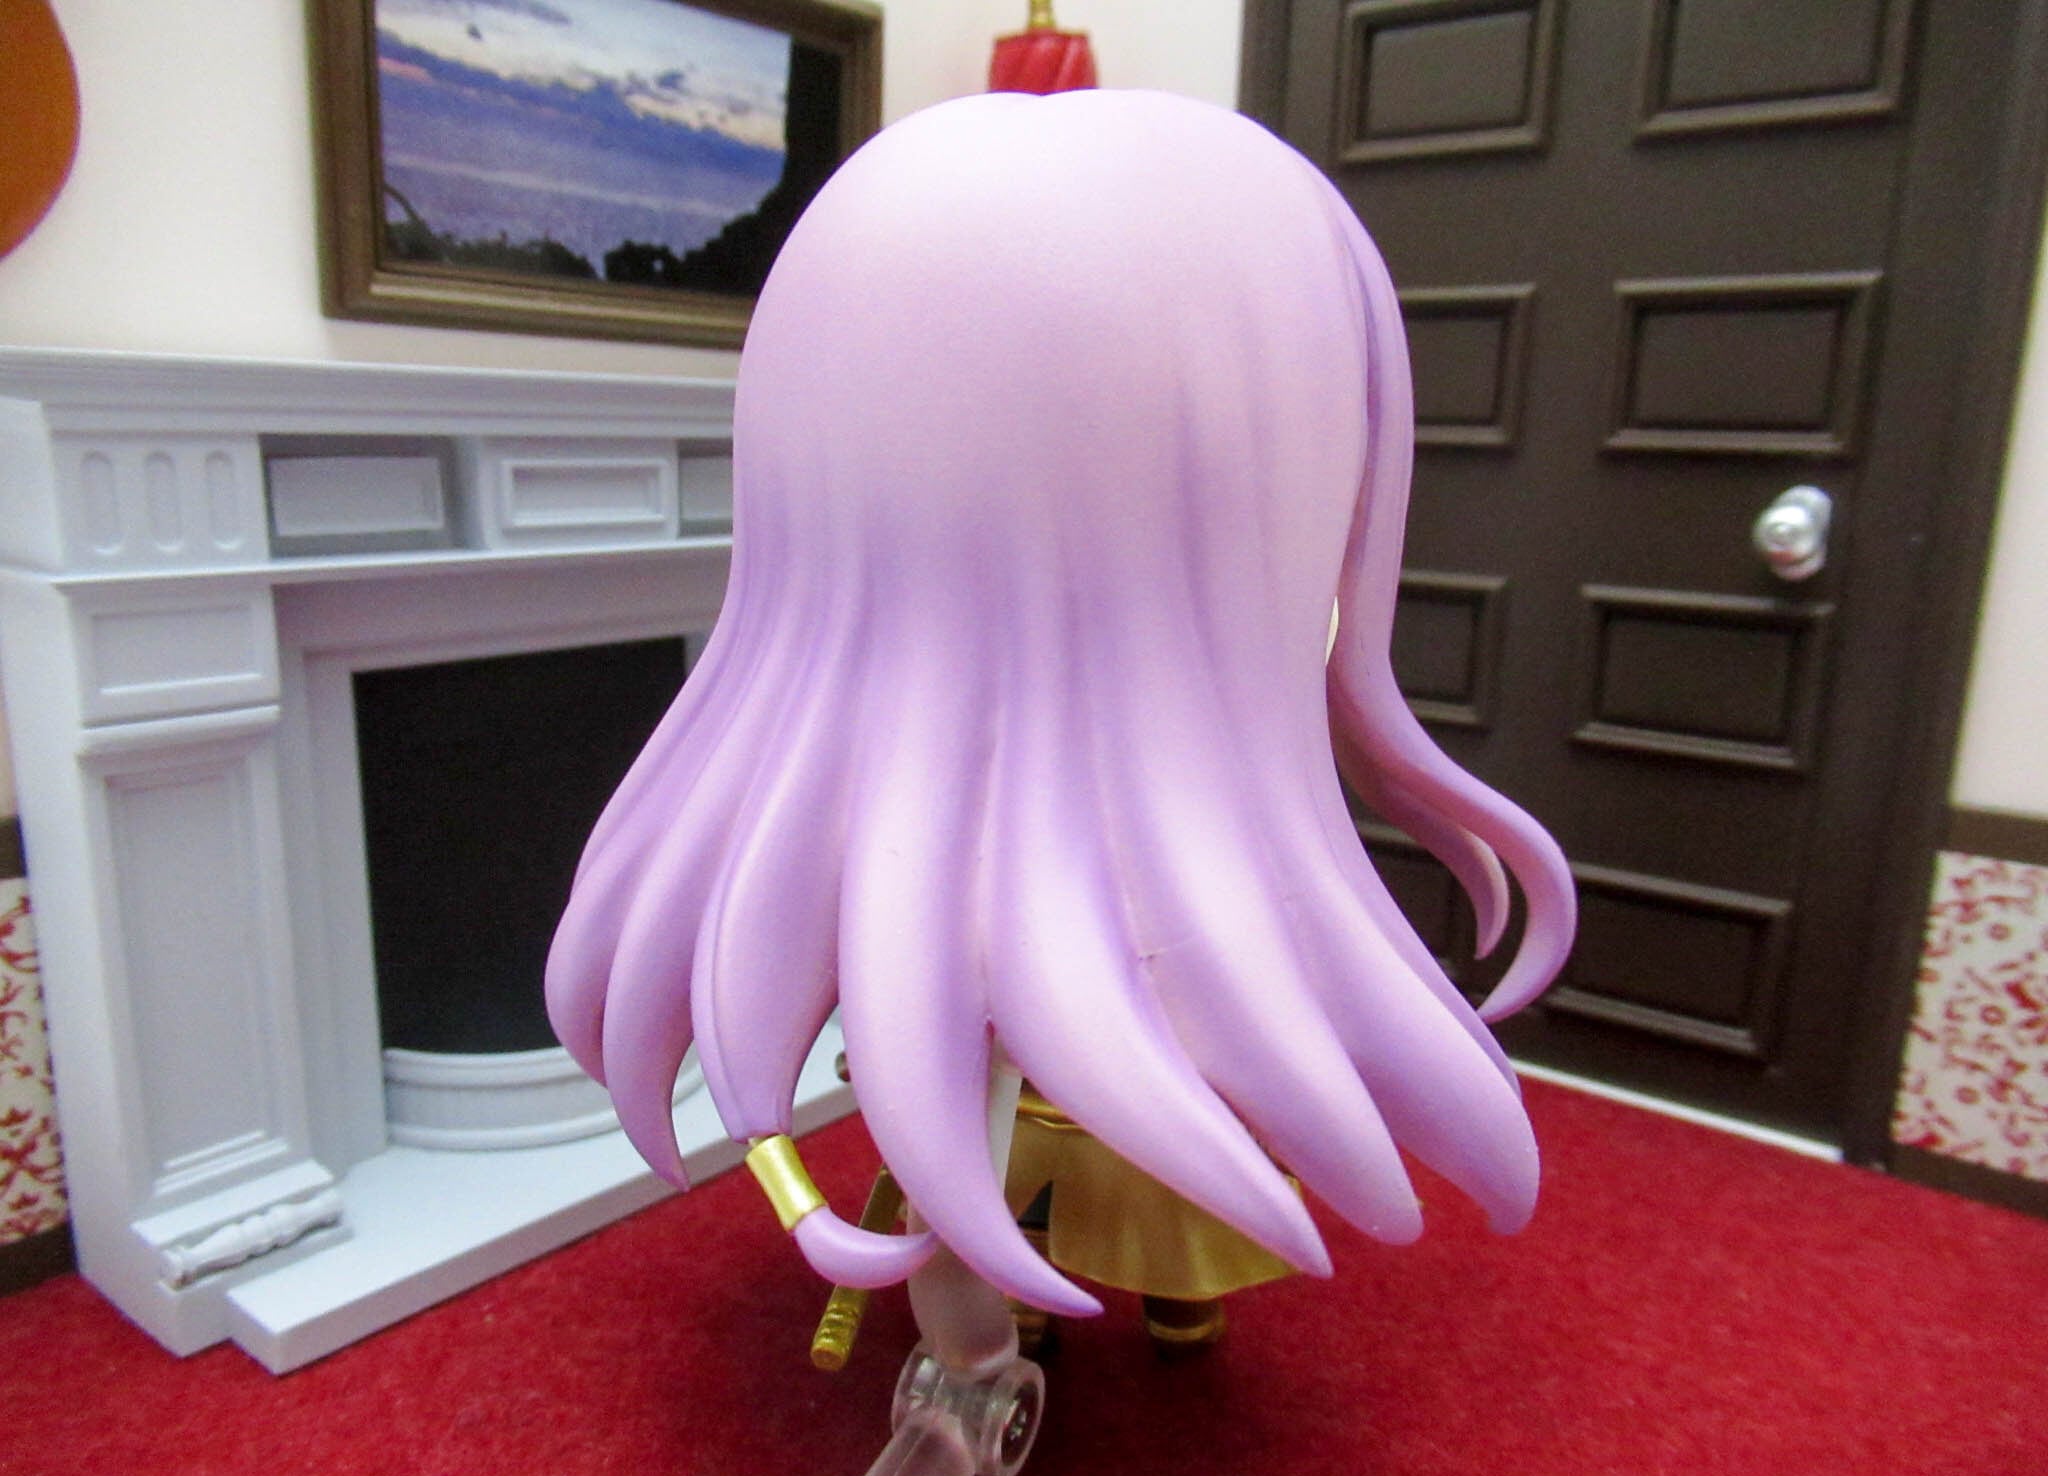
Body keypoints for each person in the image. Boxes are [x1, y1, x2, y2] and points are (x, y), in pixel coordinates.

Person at [545, 88, 1576, 1379]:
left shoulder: (1157, 879)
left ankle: (1150, 1296)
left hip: (1120, 1116)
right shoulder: (924, 855)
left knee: (1149, 1193)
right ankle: (1054, 1281)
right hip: (1037, 1140)